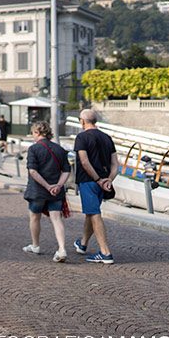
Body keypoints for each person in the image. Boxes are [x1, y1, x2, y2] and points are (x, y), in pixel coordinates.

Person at [72, 109, 118, 264]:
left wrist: (97, 179)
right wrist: (109, 180)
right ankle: (83, 244)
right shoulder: (107, 138)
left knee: (94, 213)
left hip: (89, 181)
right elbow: (115, 164)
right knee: (91, 212)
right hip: (104, 182)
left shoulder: (81, 137)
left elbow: (84, 162)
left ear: (82, 121)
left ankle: (105, 253)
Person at [22, 121, 70, 263]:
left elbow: (33, 171)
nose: (32, 136)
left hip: (37, 191)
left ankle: (35, 245)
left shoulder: (34, 149)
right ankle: (62, 249)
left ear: (37, 132)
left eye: (33, 133)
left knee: (34, 217)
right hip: (56, 191)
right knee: (56, 218)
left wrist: (47, 186)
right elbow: (67, 170)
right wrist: (58, 186)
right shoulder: (59, 149)